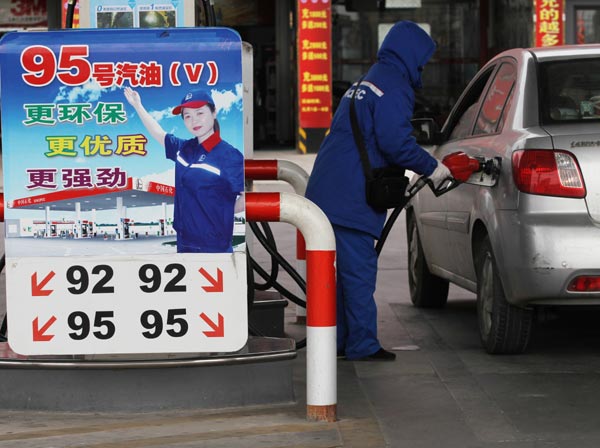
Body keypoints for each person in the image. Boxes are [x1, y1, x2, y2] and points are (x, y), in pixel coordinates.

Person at [305, 21, 451, 362]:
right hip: (349, 194)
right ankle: (362, 345)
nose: (423, 67)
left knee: (339, 276)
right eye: (423, 60)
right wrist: (433, 166)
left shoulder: (368, 80)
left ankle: (337, 341)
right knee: (358, 272)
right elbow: (395, 142)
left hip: (328, 187)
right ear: (411, 54)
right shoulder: (394, 85)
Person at [124, 87, 244, 253]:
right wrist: (138, 106)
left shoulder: (229, 155)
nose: (194, 121)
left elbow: (248, 195)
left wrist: (221, 210)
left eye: (200, 113)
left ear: (214, 113)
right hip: (184, 244)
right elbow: (158, 133)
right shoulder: (183, 149)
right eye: (188, 116)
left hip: (214, 247)